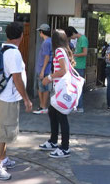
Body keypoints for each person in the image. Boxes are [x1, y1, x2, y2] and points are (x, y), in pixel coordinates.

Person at [0, 22, 32, 181]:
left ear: (7, 35)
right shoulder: (14, 54)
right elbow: (17, 78)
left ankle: (3, 159)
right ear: (21, 36)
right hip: (7, 98)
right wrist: (26, 99)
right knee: (2, 133)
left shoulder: (2, 48)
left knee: (2, 130)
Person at [39, 29, 74, 158]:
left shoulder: (59, 51)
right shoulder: (64, 50)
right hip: (60, 88)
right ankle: (53, 141)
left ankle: (65, 147)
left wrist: (48, 77)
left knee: (61, 117)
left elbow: (63, 71)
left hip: (60, 89)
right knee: (53, 113)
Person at [33, 24, 52, 115]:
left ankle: (43, 106)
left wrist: (42, 70)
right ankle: (43, 106)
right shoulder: (50, 41)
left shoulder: (46, 43)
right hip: (46, 69)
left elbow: (47, 57)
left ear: (42, 32)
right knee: (45, 88)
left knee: (41, 88)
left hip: (43, 68)